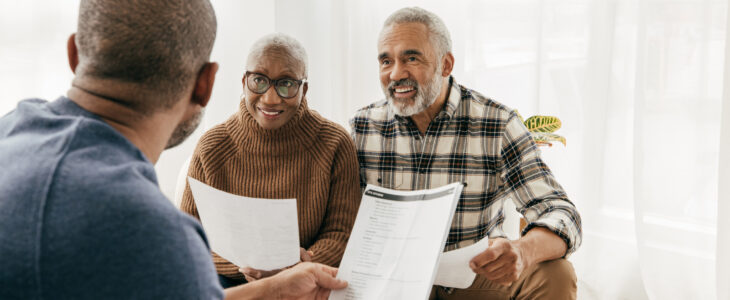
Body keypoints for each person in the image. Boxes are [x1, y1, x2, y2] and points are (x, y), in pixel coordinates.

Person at [0, 0, 346, 299]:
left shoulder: (8, 129)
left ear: (75, 54)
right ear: (205, 85)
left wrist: (275, 286)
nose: (271, 96)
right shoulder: (158, 239)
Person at [351, 7, 582, 300]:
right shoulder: (361, 127)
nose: (396, 74)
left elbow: (561, 212)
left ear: (446, 64)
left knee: (556, 273)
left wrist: (521, 252)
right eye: (386, 61)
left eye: (411, 58)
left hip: (471, 280)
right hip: (389, 284)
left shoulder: (497, 123)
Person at [180, 33, 361, 288]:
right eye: (259, 81)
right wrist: (252, 267)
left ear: (303, 89)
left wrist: (298, 266)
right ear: (244, 82)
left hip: (308, 283)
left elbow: (342, 233)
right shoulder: (212, 146)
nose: (271, 98)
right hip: (228, 285)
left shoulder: (334, 143)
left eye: (286, 84)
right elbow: (188, 238)